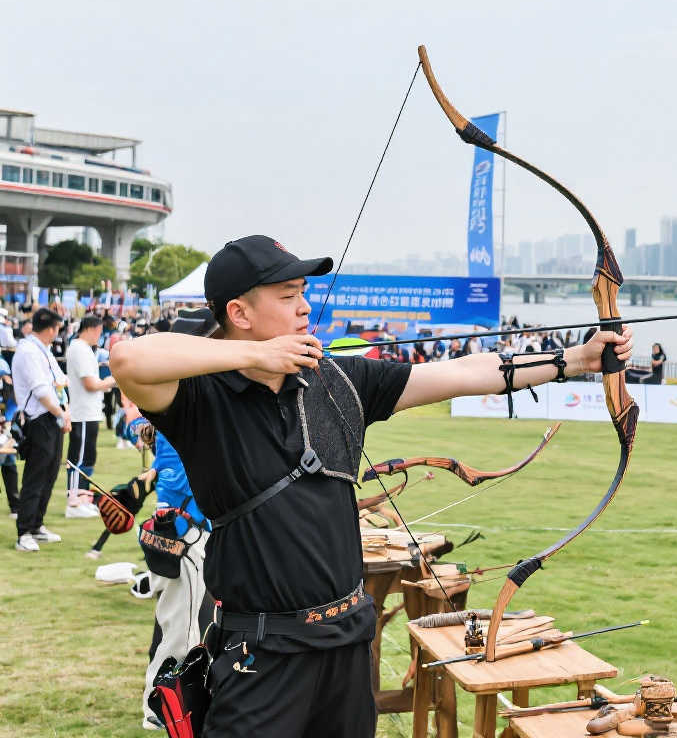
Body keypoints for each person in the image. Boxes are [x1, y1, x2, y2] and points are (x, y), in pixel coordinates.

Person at [111, 235, 634, 737]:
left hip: (346, 646)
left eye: (304, 295)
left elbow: (460, 373)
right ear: (239, 314)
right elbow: (128, 360)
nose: (302, 308)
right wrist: (255, 357)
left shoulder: (338, 381)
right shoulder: (200, 399)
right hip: (260, 655)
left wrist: (575, 361)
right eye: (288, 296)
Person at [140, 416, 213, 732]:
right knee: (181, 635)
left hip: (179, 531)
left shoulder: (174, 422)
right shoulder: (188, 425)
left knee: (177, 628)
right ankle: (161, 709)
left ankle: (164, 706)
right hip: (186, 535)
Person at [11, 308, 71, 552]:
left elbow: (59, 382)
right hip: (39, 419)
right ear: (51, 329)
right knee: (35, 477)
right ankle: (24, 531)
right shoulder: (27, 351)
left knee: (49, 474)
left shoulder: (42, 350)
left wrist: (63, 412)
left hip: (53, 418)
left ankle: (37, 524)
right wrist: (61, 413)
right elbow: (41, 390)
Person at [65, 315, 117, 518]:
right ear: (91, 329)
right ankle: (74, 503)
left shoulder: (82, 349)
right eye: (99, 331)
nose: (100, 336)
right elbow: (90, 384)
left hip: (88, 411)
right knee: (80, 459)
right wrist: (113, 381)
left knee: (87, 457)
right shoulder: (79, 349)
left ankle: (82, 498)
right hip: (83, 412)